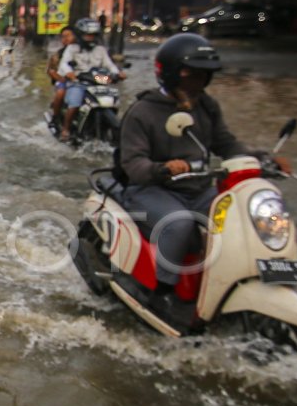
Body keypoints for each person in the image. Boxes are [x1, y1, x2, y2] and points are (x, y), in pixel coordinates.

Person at [118, 33, 279, 326]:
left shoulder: (207, 106)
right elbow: (133, 163)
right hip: (151, 189)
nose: (195, 84)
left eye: (202, 77)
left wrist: (262, 158)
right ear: (169, 74)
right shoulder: (143, 112)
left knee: (238, 216)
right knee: (178, 223)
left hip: (198, 188)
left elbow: (226, 144)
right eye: (190, 77)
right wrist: (163, 168)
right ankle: (163, 290)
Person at [55, 16, 125, 141]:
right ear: (80, 35)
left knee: (113, 100)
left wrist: (118, 73)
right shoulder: (72, 49)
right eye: (87, 35)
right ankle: (65, 129)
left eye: (93, 35)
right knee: (75, 102)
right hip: (78, 81)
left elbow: (109, 65)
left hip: (97, 79)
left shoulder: (101, 50)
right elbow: (64, 64)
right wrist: (70, 73)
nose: (90, 38)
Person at [46, 26, 78, 132]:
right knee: (61, 93)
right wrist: (61, 79)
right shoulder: (58, 55)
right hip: (65, 82)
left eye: (68, 36)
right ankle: (56, 118)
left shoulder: (83, 52)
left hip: (83, 81)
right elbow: (50, 71)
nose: (66, 39)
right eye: (63, 37)